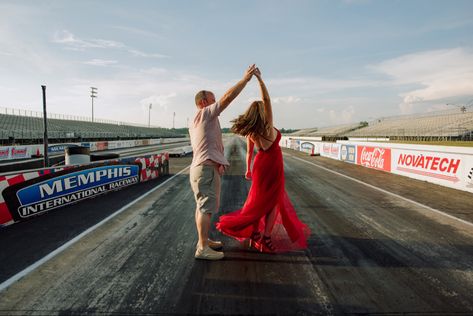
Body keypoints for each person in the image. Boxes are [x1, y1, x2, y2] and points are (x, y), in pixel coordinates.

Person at [216, 67, 310, 253]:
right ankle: (265, 237)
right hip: (273, 165)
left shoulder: (252, 132)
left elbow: (250, 153)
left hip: (260, 164)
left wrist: (248, 169)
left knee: (257, 201)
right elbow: (267, 100)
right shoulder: (267, 126)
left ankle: (254, 234)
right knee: (272, 202)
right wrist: (259, 80)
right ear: (263, 113)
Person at [190, 64, 257, 260]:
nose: (215, 103)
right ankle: (202, 248)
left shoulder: (198, 119)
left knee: (201, 207)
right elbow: (228, 98)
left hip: (201, 168)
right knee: (205, 208)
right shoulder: (206, 113)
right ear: (203, 102)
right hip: (205, 169)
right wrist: (245, 80)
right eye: (212, 100)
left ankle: (203, 240)